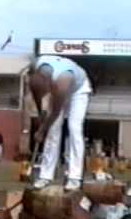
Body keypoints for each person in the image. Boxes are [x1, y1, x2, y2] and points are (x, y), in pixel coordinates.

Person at [29, 55, 92, 191]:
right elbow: (37, 96)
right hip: (57, 90)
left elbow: (56, 113)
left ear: (49, 83)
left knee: (74, 128)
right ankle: (45, 176)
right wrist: (41, 114)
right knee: (53, 133)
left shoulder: (62, 81)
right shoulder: (37, 66)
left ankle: (74, 177)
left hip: (78, 91)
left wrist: (41, 130)